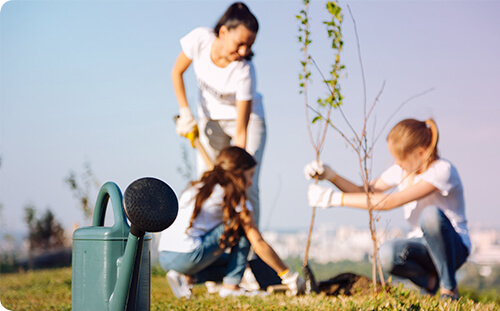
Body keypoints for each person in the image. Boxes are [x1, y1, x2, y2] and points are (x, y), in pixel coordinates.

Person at [303, 118, 470, 300]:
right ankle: (428, 281)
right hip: (421, 248)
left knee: (430, 216)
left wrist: (333, 199)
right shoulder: (403, 170)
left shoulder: (441, 170)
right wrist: (331, 176)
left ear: (420, 153)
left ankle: (449, 288)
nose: (396, 163)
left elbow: (389, 201)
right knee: (387, 254)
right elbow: (363, 191)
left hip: (454, 248)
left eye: (399, 158)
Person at [158, 146, 304, 298]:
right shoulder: (234, 198)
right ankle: (230, 287)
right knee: (243, 228)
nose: (250, 183)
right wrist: (288, 276)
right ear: (238, 174)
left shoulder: (198, 188)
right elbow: (258, 242)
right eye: (250, 175)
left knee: (236, 265)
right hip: (188, 256)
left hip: (165, 256)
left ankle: (186, 278)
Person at [172, 2, 266, 226]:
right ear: (223, 32)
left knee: (246, 184)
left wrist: (238, 170)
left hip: (246, 122)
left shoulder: (244, 71)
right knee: (208, 178)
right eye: (240, 43)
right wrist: (185, 111)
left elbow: (241, 132)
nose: (244, 51)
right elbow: (176, 72)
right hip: (211, 120)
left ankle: (249, 249)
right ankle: (210, 239)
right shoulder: (200, 39)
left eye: (249, 46)